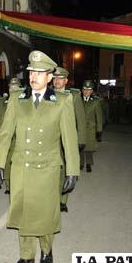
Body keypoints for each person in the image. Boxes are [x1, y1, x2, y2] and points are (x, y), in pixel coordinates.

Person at [0, 50, 80, 263]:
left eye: (39, 73)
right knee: (23, 211)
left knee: (44, 213)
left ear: (50, 77)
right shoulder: (16, 99)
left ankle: (46, 250)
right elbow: (5, 135)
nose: (33, 77)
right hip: (22, 166)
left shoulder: (62, 101)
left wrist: (73, 170)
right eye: (31, 72)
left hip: (47, 167)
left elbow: (69, 138)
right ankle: (26, 254)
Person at [52, 67, 86, 212]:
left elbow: (81, 119)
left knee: (66, 169)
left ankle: (63, 200)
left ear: (66, 81)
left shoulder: (74, 96)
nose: (57, 81)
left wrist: (81, 139)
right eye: (54, 78)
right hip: (52, 139)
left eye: (60, 79)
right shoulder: (47, 95)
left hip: (66, 139)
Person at [0, 77, 22, 194]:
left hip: (17, 139)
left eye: (15, 87)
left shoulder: (24, 103)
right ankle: (8, 186)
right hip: (6, 139)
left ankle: (16, 186)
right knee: (6, 163)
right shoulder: (3, 102)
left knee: (15, 164)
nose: (13, 89)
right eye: (11, 87)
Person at [81, 80, 103, 173]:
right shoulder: (78, 100)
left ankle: (89, 164)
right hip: (80, 129)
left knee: (89, 148)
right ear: (82, 90)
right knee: (80, 147)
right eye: (85, 89)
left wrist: (99, 131)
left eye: (89, 90)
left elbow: (99, 117)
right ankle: (81, 163)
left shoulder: (95, 102)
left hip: (90, 129)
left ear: (91, 91)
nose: (86, 91)